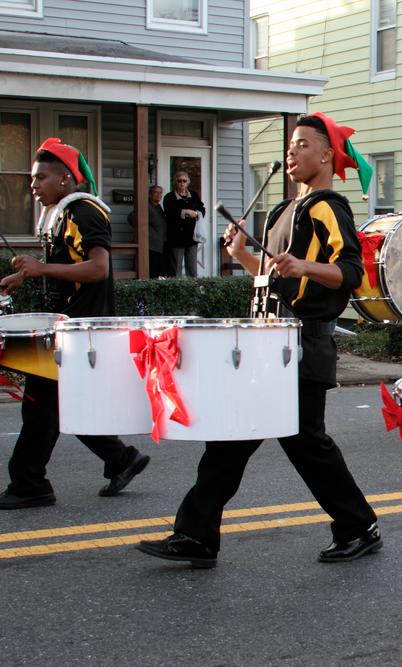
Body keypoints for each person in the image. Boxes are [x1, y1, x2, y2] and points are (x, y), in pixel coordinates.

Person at [136, 112, 381, 568]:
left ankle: (358, 525)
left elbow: (350, 273)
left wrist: (306, 267)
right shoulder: (286, 210)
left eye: (303, 144)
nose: (292, 151)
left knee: (306, 443)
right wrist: (245, 256)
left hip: (301, 344)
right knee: (231, 438)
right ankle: (196, 534)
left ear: (327, 155)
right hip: (269, 345)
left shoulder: (327, 205)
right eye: (291, 144)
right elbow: (275, 280)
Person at [0, 138, 150, 509]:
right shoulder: (62, 213)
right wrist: (27, 275)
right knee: (56, 404)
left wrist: (40, 268)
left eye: (41, 178)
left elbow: (98, 268)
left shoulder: (84, 212)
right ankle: (119, 458)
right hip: (65, 329)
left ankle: (29, 482)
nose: (33, 185)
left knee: (41, 406)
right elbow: (69, 263)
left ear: (66, 179)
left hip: (80, 330)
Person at [163, 170, 205, 277]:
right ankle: (176, 290)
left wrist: (196, 213)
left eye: (184, 181)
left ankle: (193, 290)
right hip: (176, 238)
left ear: (188, 182)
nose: (182, 183)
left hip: (192, 237)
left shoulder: (194, 195)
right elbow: (169, 213)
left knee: (192, 269)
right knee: (175, 269)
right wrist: (185, 212)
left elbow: (202, 208)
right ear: (175, 182)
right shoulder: (169, 197)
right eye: (179, 181)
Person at [127, 184, 169, 278]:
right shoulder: (146, 206)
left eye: (160, 192)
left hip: (159, 245)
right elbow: (131, 218)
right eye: (155, 192)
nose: (158, 195)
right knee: (150, 272)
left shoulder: (158, 207)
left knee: (158, 274)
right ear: (150, 195)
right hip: (149, 245)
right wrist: (143, 231)